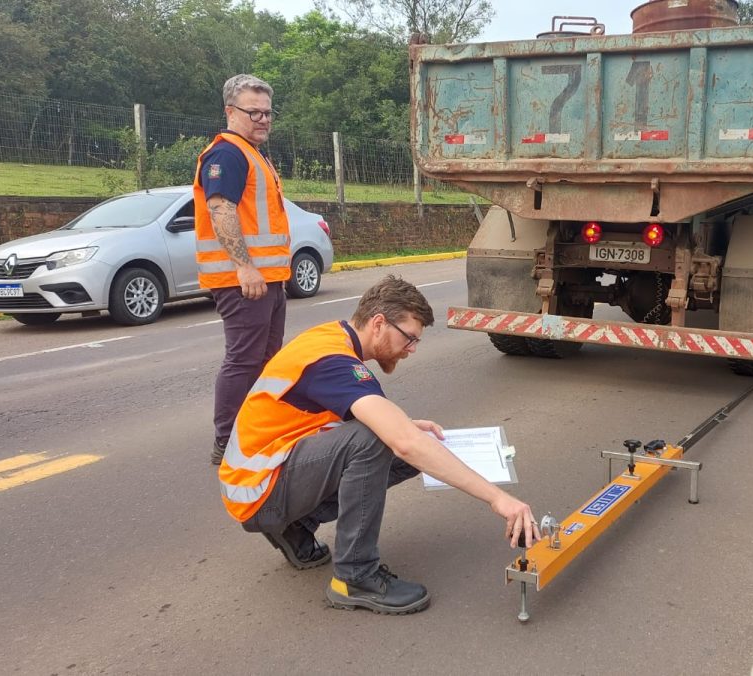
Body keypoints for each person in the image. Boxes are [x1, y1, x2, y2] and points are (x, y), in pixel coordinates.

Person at [217, 275, 541, 615]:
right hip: (258, 491)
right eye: (410, 338)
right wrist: (498, 498)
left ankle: (295, 525)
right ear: (378, 323)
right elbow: (401, 442)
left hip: (265, 474)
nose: (412, 349)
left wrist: (407, 430)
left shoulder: (332, 338)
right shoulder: (334, 362)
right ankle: (354, 576)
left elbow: (316, 415)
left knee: (405, 439)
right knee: (378, 439)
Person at [193, 74, 292, 465]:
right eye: (254, 112)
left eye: (268, 113)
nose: (263, 119)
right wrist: (245, 268)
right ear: (230, 112)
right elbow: (221, 210)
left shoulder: (253, 153)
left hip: (268, 280)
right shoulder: (228, 154)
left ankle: (256, 428)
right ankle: (226, 441)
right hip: (244, 282)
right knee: (244, 359)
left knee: (267, 358)